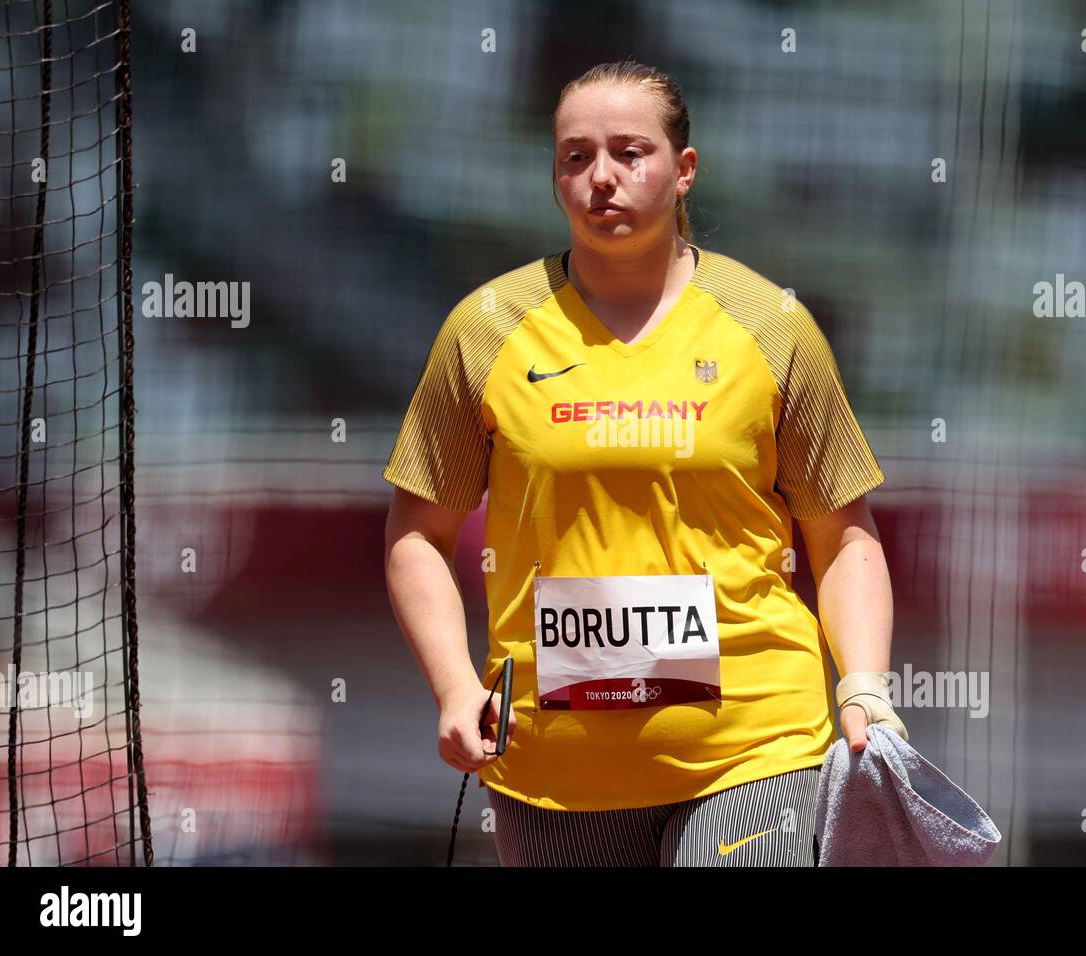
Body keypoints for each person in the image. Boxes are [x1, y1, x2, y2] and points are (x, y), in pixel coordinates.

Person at [383, 59, 906, 867]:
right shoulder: (485, 329)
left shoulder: (771, 325)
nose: (602, 178)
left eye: (631, 153)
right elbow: (416, 534)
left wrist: (864, 682)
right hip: (553, 764)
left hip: (754, 743)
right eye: (576, 157)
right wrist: (456, 687)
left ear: (684, 170)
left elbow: (845, 537)